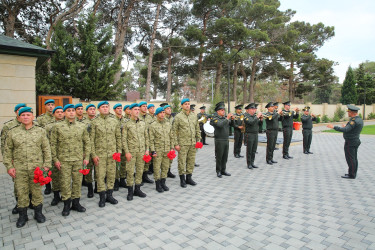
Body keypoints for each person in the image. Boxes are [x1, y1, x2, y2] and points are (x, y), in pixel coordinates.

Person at [3, 107, 51, 228]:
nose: (25, 117)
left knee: (36, 192)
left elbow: (46, 149)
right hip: (20, 169)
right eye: (22, 115)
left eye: (28, 115)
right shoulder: (12, 132)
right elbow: (7, 152)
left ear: (32, 116)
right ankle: (22, 216)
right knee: (21, 192)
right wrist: (9, 167)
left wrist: (46, 165)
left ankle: (38, 213)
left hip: (37, 168)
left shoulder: (40, 131)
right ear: (19, 117)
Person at [50, 104, 90, 216]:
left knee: (77, 182)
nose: (71, 112)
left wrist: (86, 157)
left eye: (73, 110)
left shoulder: (82, 126)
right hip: (64, 160)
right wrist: (55, 159)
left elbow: (87, 142)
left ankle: (76, 203)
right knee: (65, 183)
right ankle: (66, 205)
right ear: (64, 113)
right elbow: (53, 144)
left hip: (78, 159)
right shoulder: (57, 127)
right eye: (68, 110)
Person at [90, 101, 121, 207]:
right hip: (100, 155)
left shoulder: (114, 121)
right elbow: (91, 140)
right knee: (100, 176)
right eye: (102, 107)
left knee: (112, 175)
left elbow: (118, 137)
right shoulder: (94, 122)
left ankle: (109, 195)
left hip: (112, 154)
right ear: (99, 109)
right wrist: (93, 155)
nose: (105, 108)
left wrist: (119, 152)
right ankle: (102, 197)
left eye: (107, 107)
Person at [1, 103, 27, 214]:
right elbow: (4, 145)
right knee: (18, 185)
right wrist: (9, 163)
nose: (24, 115)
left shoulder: (33, 125)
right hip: (17, 162)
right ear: (16, 112)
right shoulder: (9, 126)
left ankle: (29, 202)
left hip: (32, 160)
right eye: (20, 111)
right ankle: (19, 204)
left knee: (31, 184)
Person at [327, 105, 364, 179]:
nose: (348, 113)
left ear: (352, 112)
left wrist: (334, 127)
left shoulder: (353, 121)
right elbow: (350, 128)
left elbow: (346, 130)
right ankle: (352, 173)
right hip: (355, 140)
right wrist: (346, 126)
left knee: (350, 158)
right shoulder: (359, 119)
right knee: (354, 158)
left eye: (349, 112)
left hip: (351, 141)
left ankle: (352, 174)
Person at [122, 103, 150, 200]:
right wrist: (127, 152)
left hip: (141, 151)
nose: (137, 111)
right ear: (130, 111)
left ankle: (137, 189)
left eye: (138, 109)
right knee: (130, 172)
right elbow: (124, 140)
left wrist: (147, 149)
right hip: (131, 152)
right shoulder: (126, 124)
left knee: (139, 171)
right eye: (135, 109)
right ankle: (130, 191)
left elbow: (146, 137)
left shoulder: (143, 123)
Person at [172, 98, 201, 187]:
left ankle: (189, 178)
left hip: (192, 143)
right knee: (182, 161)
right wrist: (176, 144)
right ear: (182, 106)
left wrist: (198, 140)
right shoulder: (178, 117)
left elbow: (197, 129)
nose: (187, 105)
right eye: (185, 104)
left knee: (191, 161)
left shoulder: (193, 115)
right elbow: (174, 131)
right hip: (183, 144)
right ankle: (182, 179)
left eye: (188, 104)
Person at [149, 107, 174, 192]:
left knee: (165, 167)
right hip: (158, 150)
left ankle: (163, 182)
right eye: (161, 113)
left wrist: (172, 148)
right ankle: (157, 184)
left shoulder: (168, 124)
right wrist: (153, 151)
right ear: (157, 114)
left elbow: (171, 136)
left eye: (163, 112)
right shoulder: (153, 125)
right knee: (156, 168)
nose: (163, 114)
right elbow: (151, 139)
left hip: (167, 150)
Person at [45, 106, 65, 206]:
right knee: (55, 177)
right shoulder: (49, 127)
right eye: (57, 112)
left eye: (62, 112)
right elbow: (46, 142)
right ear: (53, 114)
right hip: (54, 155)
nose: (60, 114)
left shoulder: (67, 125)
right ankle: (56, 196)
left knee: (65, 176)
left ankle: (65, 195)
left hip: (65, 155)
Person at [210, 102, 232, 178]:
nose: (223, 111)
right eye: (222, 110)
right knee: (219, 156)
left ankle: (223, 170)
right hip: (219, 140)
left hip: (226, 139)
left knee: (225, 156)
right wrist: (227, 118)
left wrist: (231, 119)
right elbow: (220, 125)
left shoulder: (224, 118)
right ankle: (218, 171)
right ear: (218, 111)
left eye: (224, 110)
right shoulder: (215, 119)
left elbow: (231, 124)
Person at [138, 101, 154, 184]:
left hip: (149, 141)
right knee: (140, 161)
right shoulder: (137, 116)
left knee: (147, 160)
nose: (145, 108)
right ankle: (139, 178)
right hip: (139, 141)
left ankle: (145, 176)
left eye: (145, 106)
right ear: (140, 107)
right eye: (143, 106)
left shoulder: (149, 117)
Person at [112, 103, 127, 191]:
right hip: (116, 145)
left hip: (124, 144)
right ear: (114, 110)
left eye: (121, 108)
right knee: (116, 164)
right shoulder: (112, 120)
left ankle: (122, 179)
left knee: (123, 163)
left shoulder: (126, 120)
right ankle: (116, 181)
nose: (120, 110)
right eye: (118, 108)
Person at [243, 103, 263, 169]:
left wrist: (261, 119)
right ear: (248, 110)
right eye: (252, 109)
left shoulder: (254, 116)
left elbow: (259, 124)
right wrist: (257, 117)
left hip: (255, 134)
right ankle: (249, 164)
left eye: (255, 109)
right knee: (249, 150)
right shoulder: (246, 116)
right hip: (249, 134)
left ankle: (252, 163)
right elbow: (251, 122)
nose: (254, 110)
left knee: (254, 150)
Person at [83, 104, 97, 197]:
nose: (92, 111)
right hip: (88, 149)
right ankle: (90, 189)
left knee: (98, 170)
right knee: (88, 170)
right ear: (87, 111)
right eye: (90, 109)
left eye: (93, 109)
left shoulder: (98, 121)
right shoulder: (83, 123)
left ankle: (97, 187)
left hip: (98, 149)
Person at [161, 103, 176, 178]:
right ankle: (164, 172)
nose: (169, 110)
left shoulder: (172, 118)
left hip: (171, 139)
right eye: (167, 109)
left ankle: (168, 171)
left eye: (170, 108)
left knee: (171, 157)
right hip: (164, 141)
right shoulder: (163, 118)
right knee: (164, 159)